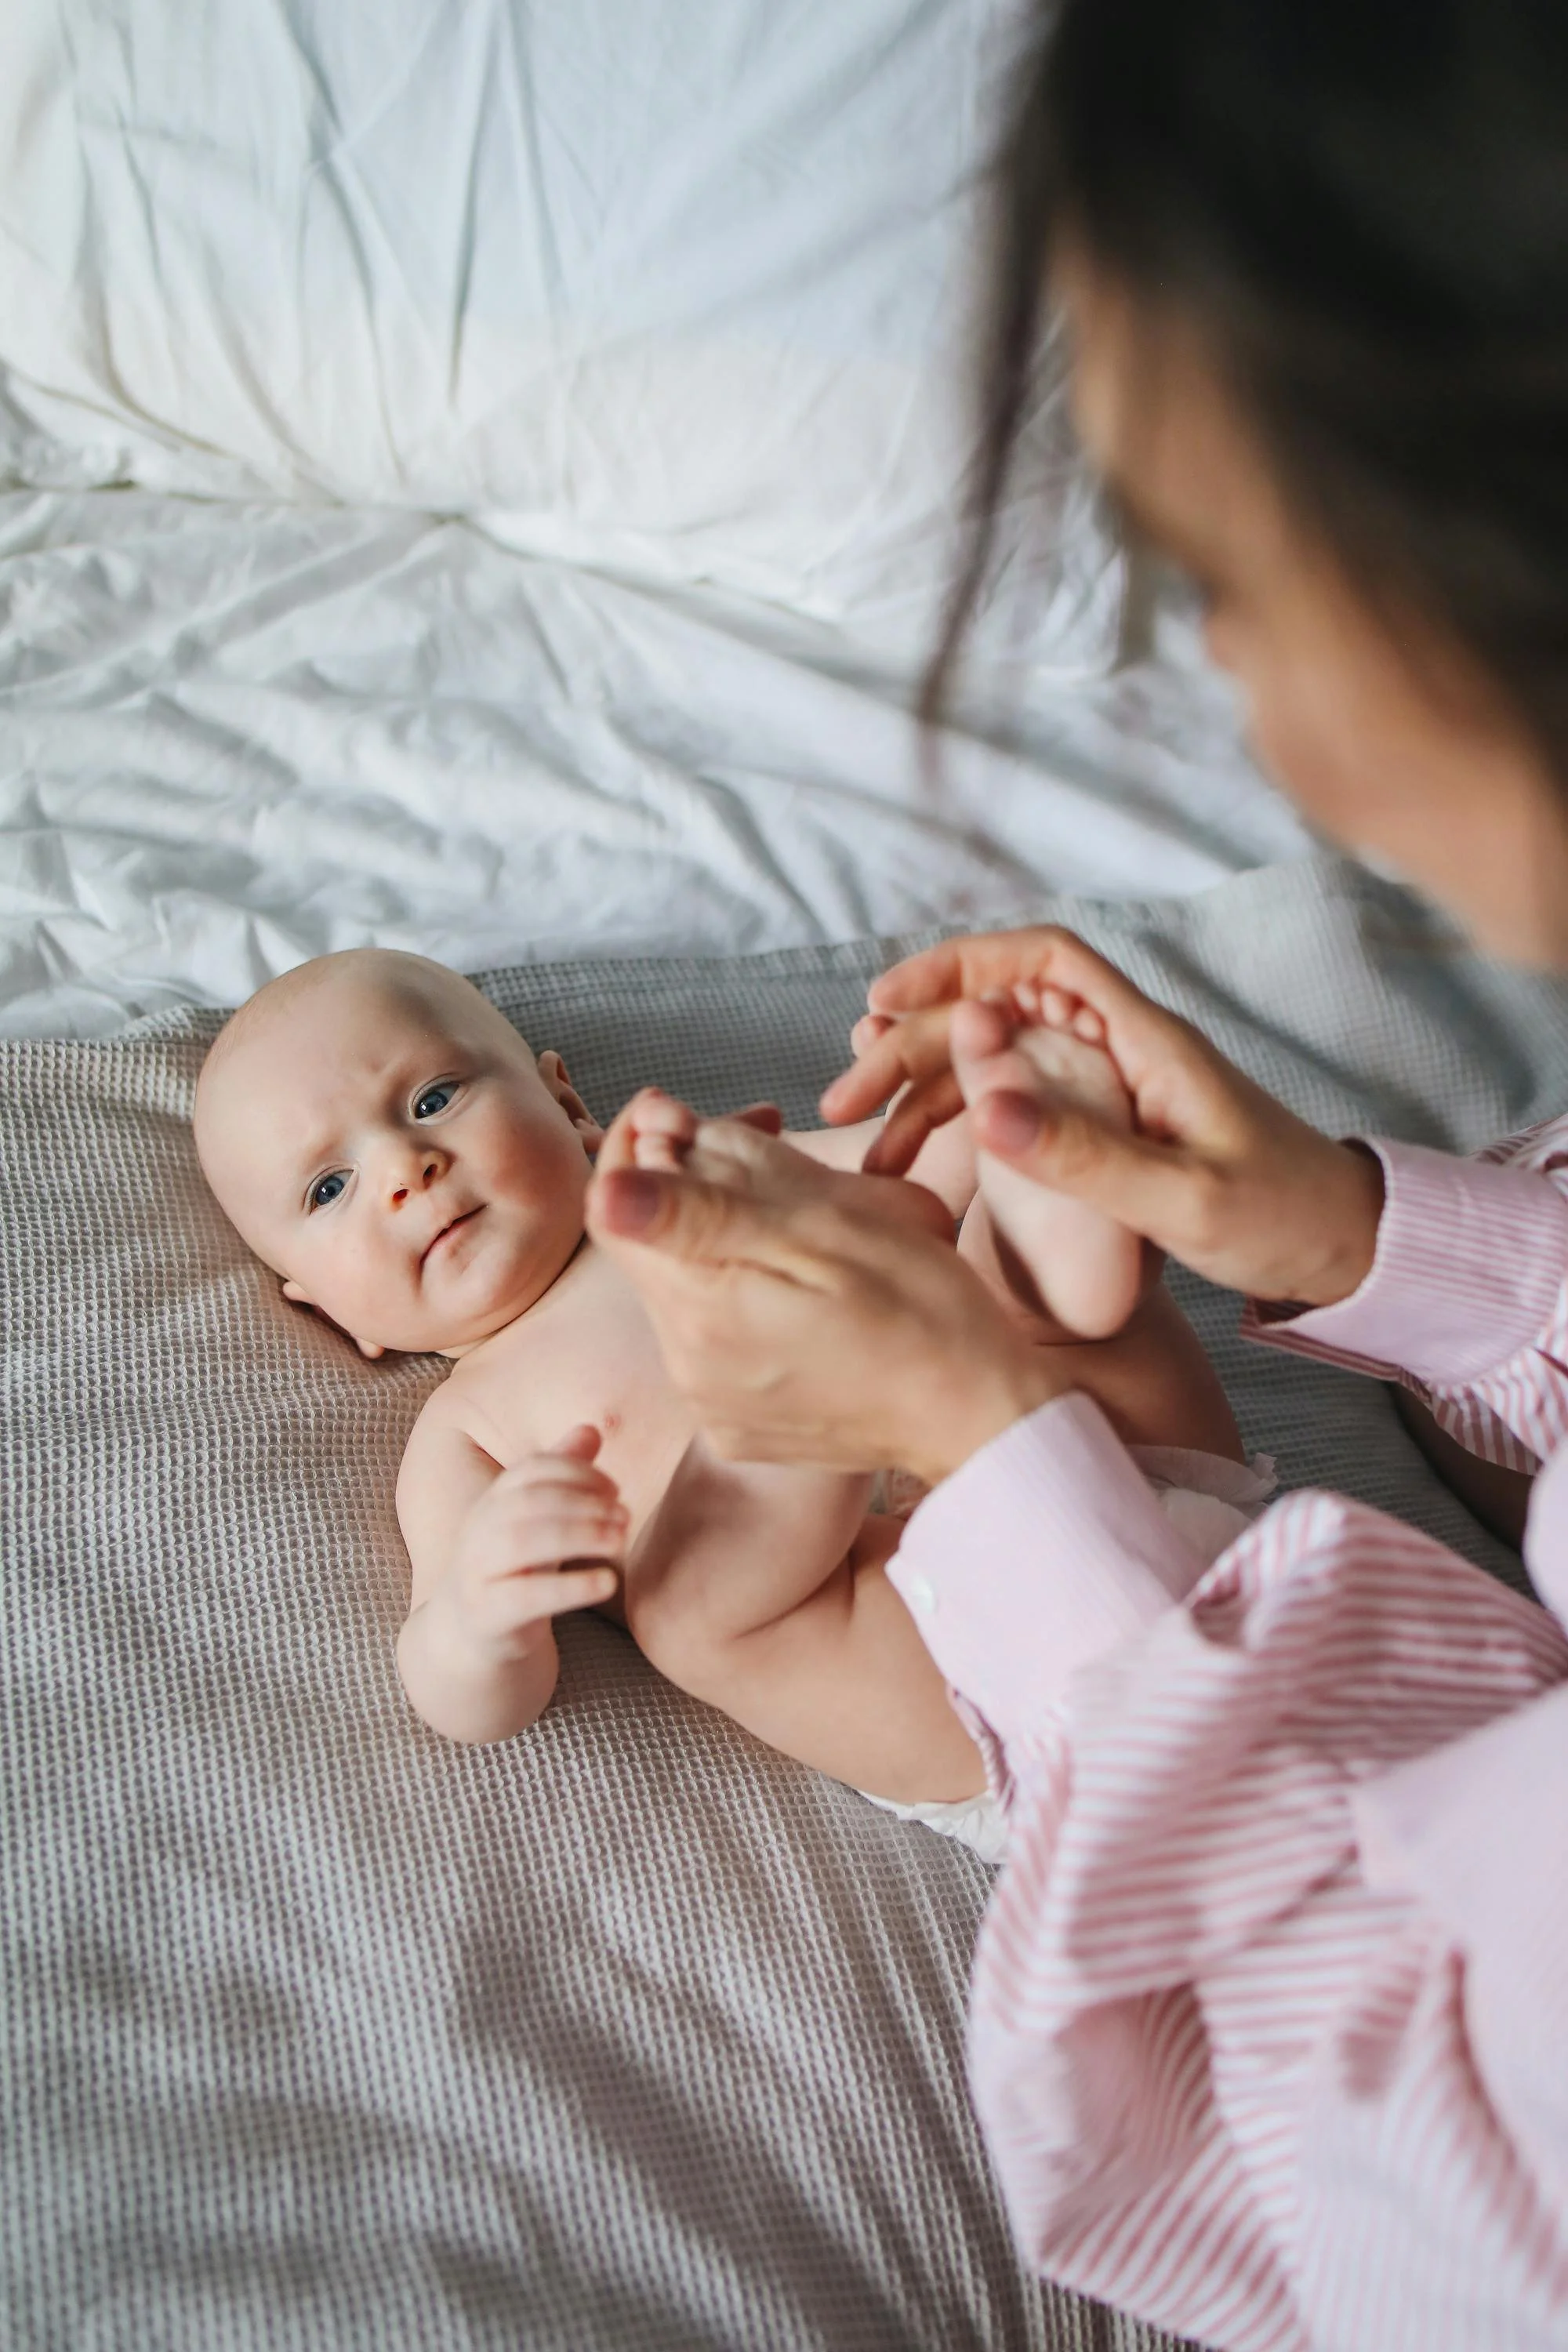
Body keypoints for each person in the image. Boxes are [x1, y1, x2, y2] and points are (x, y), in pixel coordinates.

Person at [581, 2, 1568, 2344]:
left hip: (1158, 1685)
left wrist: (982, 1437)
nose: (1228, 686)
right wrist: (1351, 1232)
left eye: (1213, 569)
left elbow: (1431, 2190)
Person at [191, 944, 1257, 1861]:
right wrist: (479, 1613)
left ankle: (1056, 1149)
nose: (404, 1170)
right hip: (971, 1683)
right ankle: (811, 1396)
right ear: (328, 1310)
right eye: (327, 1190)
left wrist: (972, 1101)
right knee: (692, 1607)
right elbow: (452, 1690)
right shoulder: (467, 1426)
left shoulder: (698, 1176)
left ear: (567, 1105)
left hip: (1131, 1485)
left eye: (432, 1101)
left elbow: (912, 1177)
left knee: (993, 1262)